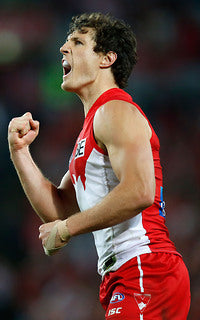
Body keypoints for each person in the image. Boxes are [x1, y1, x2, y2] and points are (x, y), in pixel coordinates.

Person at [8, 12, 190, 320]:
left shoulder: (115, 110)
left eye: (77, 42)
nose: (63, 49)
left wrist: (67, 229)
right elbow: (58, 211)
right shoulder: (91, 127)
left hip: (145, 266)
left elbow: (139, 191)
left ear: (107, 58)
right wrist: (20, 152)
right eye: (65, 43)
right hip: (126, 273)